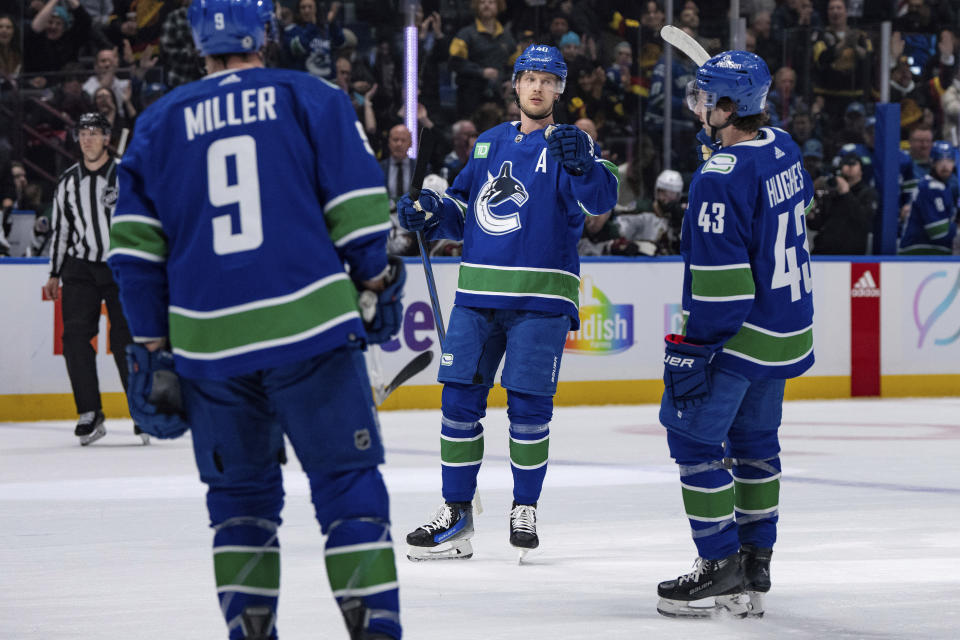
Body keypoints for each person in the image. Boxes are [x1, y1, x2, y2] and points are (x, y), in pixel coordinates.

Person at [106, 1, 404, 638]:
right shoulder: (310, 97)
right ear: (262, 31)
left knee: (239, 508)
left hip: (209, 347)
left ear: (196, 40)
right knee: (347, 485)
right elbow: (357, 211)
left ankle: (250, 630)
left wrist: (154, 348)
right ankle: (375, 629)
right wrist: (376, 281)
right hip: (312, 333)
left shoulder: (157, 123)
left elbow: (134, 255)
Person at [397, 44, 618, 561]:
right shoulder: (486, 145)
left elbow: (601, 199)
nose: (538, 87)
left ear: (561, 89)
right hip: (477, 297)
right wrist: (430, 210)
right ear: (515, 86)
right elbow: (461, 211)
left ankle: (525, 506)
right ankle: (456, 514)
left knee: (528, 407)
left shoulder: (572, 145)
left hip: (541, 301)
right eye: (529, 78)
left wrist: (586, 163)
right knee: (457, 404)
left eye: (548, 79)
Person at [656, 51, 814, 619]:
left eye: (705, 98)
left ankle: (720, 565)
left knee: (694, 442)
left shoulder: (718, 177)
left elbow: (723, 291)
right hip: (785, 329)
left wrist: (693, 351)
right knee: (756, 445)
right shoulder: (784, 148)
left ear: (729, 107)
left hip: (740, 336)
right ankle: (756, 559)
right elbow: (792, 207)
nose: (697, 106)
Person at [43, 113, 142, 446]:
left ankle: (140, 411)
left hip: (120, 268)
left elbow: (141, 221)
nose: (87, 138)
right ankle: (89, 412)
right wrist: (55, 272)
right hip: (80, 269)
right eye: (82, 133)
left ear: (106, 138)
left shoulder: (125, 175)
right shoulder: (68, 181)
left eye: (94, 133)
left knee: (125, 342)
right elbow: (62, 230)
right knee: (74, 339)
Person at [808, 150, 877, 254]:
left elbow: (864, 221)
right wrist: (811, 212)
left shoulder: (868, 193)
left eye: (853, 164)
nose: (849, 166)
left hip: (850, 256)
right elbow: (815, 225)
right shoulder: (831, 191)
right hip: (823, 253)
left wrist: (845, 192)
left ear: (861, 170)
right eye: (845, 163)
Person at [899, 140, 958, 254]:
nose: (945, 165)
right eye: (940, 160)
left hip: (933, 253)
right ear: (932, 162)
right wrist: (956, 227)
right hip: (919, 252)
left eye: (949, 161)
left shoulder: (943, 187)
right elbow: (936, 231)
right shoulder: (929, 187)